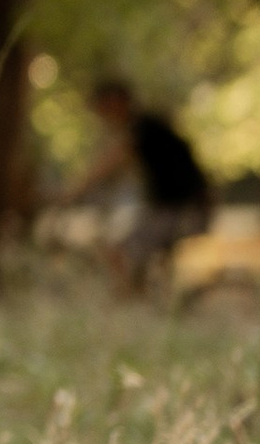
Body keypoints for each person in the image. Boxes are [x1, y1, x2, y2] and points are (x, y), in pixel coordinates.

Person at [60, 76, 212, 293]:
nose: (102, 116)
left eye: (103, 108)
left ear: (117, 102)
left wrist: (72, 192)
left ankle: (133, 300)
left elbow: (107, 166)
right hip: (180, 208)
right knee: (137, 254)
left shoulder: (140, 128)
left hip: (183, 210)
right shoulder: (146, 127)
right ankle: (143, 297)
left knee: (119, 251)